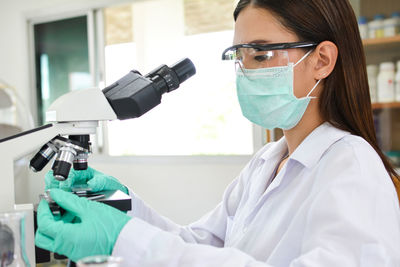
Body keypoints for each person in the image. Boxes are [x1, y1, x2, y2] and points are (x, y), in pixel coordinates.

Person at [35, 0, 400, 266]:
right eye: (239, 57)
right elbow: (202, 243)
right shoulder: (266, 162)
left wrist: (124, 240)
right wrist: (124, 207)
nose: (244, 72)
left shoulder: (352, 168)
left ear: (321, 60)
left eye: (259, 55)